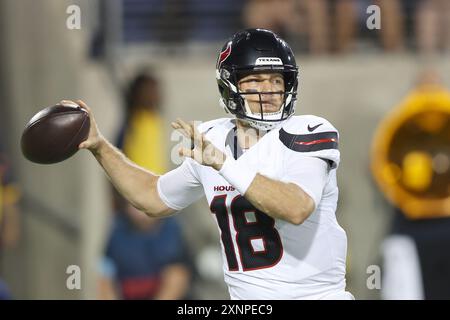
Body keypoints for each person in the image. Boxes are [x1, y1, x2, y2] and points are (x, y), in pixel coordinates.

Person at [64, 28, 352, 300]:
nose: (270, 90)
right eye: (256, 79)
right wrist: (101, 147)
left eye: (277, 80)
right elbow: (152, 196)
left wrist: (224, 163)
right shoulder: (214, 138)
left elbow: (296, 207)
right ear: (230, 85)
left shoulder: (308, 130)